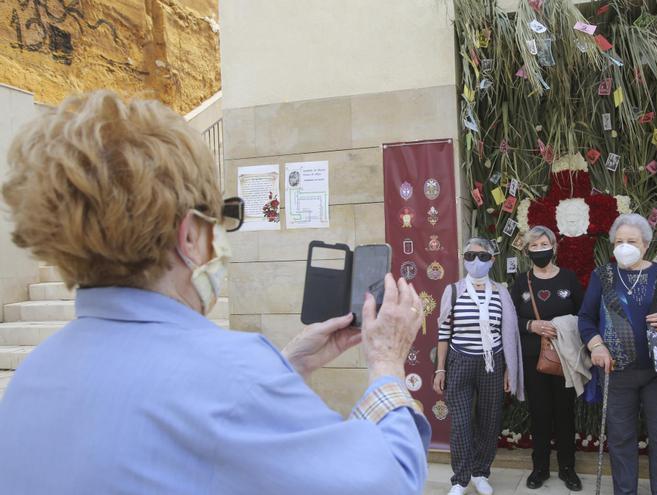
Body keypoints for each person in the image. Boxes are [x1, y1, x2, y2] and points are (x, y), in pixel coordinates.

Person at [0, 91, 430, 495]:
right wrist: (386, 361)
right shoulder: (234, 377)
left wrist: (287, 368)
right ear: (189, 237)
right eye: (220, 220)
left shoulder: (32, 377)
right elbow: (388, 481)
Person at [577, 213, 657, 495]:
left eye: (632, 241)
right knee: (620, 438)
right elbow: (586, 318)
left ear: (646, 245)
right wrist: (597, 346)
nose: (624, 246)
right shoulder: (602, 275)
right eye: (620, 241)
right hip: (616, 371)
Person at [432, 238, 524, 495]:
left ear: (493, 260)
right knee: (461, 423)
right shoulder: (452, 291)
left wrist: (509, 369)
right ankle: (460, 480)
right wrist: (440, 368)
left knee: (489, 421)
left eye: (483, 257)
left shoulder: (501, 292)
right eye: (471, 255)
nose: (476, 261)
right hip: (459, 361)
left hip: (492, 363)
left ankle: (480, 472)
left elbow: (508, 334)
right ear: (464, 258)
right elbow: (443, 332)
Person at [510, 226, 584, 491]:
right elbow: (509, 320)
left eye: (544, 244)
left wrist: (563, 326)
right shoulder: (520, 281)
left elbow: (584, 314)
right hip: (533, 358)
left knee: (565, 413)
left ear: (554, 246)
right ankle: (539, 468)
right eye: (534, 246)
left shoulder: (568, 278)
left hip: (564, 358)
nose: (540, 249)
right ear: (527, 250)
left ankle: (568, 469)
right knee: (539, 413)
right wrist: (532, 325)